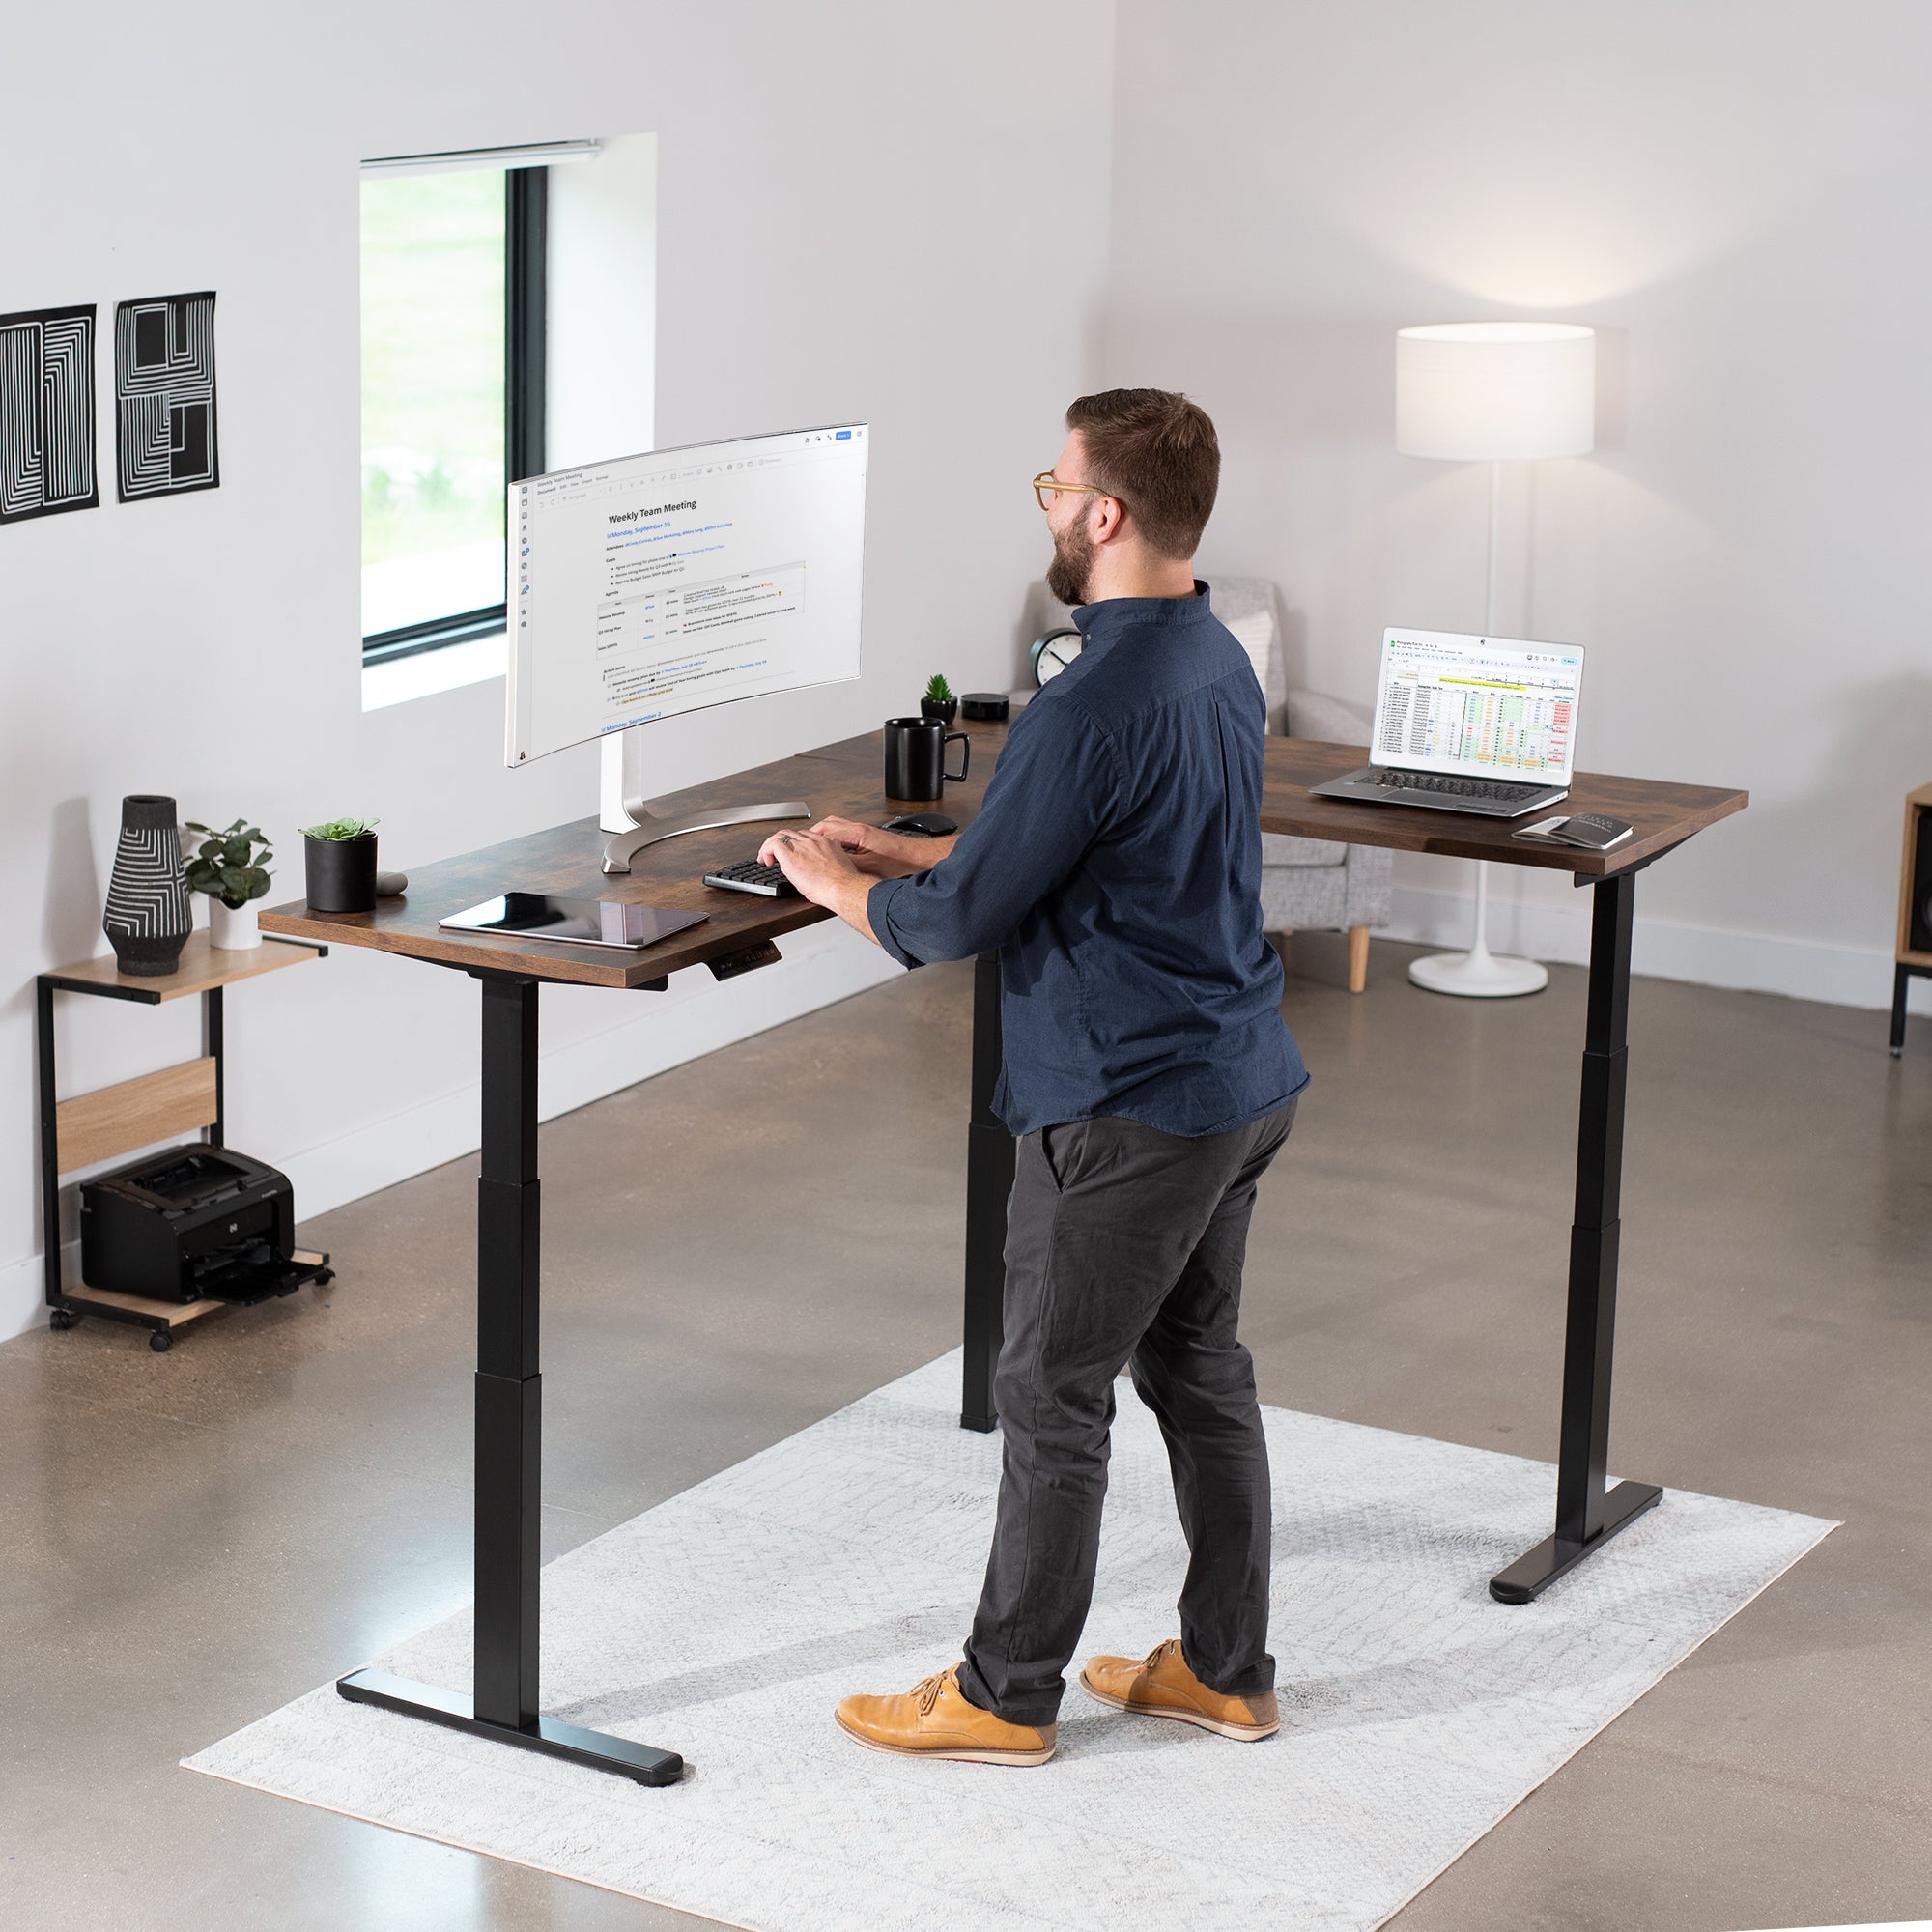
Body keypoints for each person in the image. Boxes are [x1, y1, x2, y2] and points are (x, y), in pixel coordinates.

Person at [759, 387, 1309, 1766]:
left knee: (1052, 1394)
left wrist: (834, 884)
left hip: (1125, 1106)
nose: (1050, 507)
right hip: (1239, 1078)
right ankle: (1228, 1671)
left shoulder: (1086, 694)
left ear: (1105, 514)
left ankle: (1005, 1695)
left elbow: (953, 933)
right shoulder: (1211, 658)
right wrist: (921, 852)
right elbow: (1094, 856)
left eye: (1055, 487)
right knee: (1198, 1370)